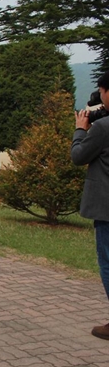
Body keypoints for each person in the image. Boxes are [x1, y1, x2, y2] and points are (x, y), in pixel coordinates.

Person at [71, 70, 109, 341]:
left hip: (106, 209)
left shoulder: (103, 128)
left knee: (108, 263)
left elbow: (78, 156)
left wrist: (80, 129)